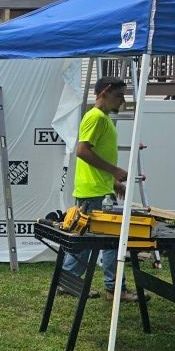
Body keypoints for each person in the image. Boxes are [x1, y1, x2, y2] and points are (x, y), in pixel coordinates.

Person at [61, 75, 137, 302]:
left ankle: (68, 282)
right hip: (94, 193)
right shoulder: (96, 118)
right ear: (104, 92)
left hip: (96, 190)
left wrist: (111, 182)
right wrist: (114, 172)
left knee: (85, 242)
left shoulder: (100, 118)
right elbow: (82, 151)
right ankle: (115, 288)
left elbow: (95, 155)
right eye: (118, 95)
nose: (121, 101)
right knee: (111, 240)